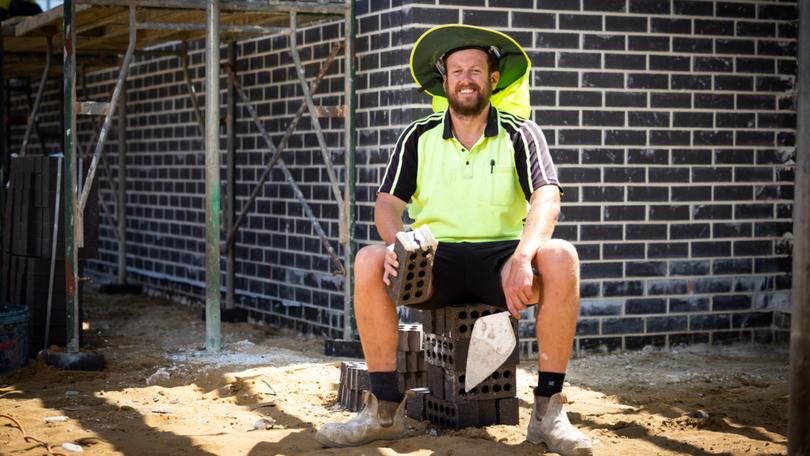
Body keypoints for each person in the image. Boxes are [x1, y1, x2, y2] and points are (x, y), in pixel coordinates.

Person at [316, 24, 592, 455]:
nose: (467, 78)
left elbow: (547, 196)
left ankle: (548, 411)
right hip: (433, 263)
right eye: (457, 70)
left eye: (476, 70)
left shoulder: (522, 133)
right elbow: (387, 205)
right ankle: (385, 409)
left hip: (502, 266)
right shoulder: (418, 135)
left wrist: (525, 255)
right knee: (369, 259)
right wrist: (397, 243)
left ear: (493, 80)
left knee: (560, 255)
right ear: (444, 81)